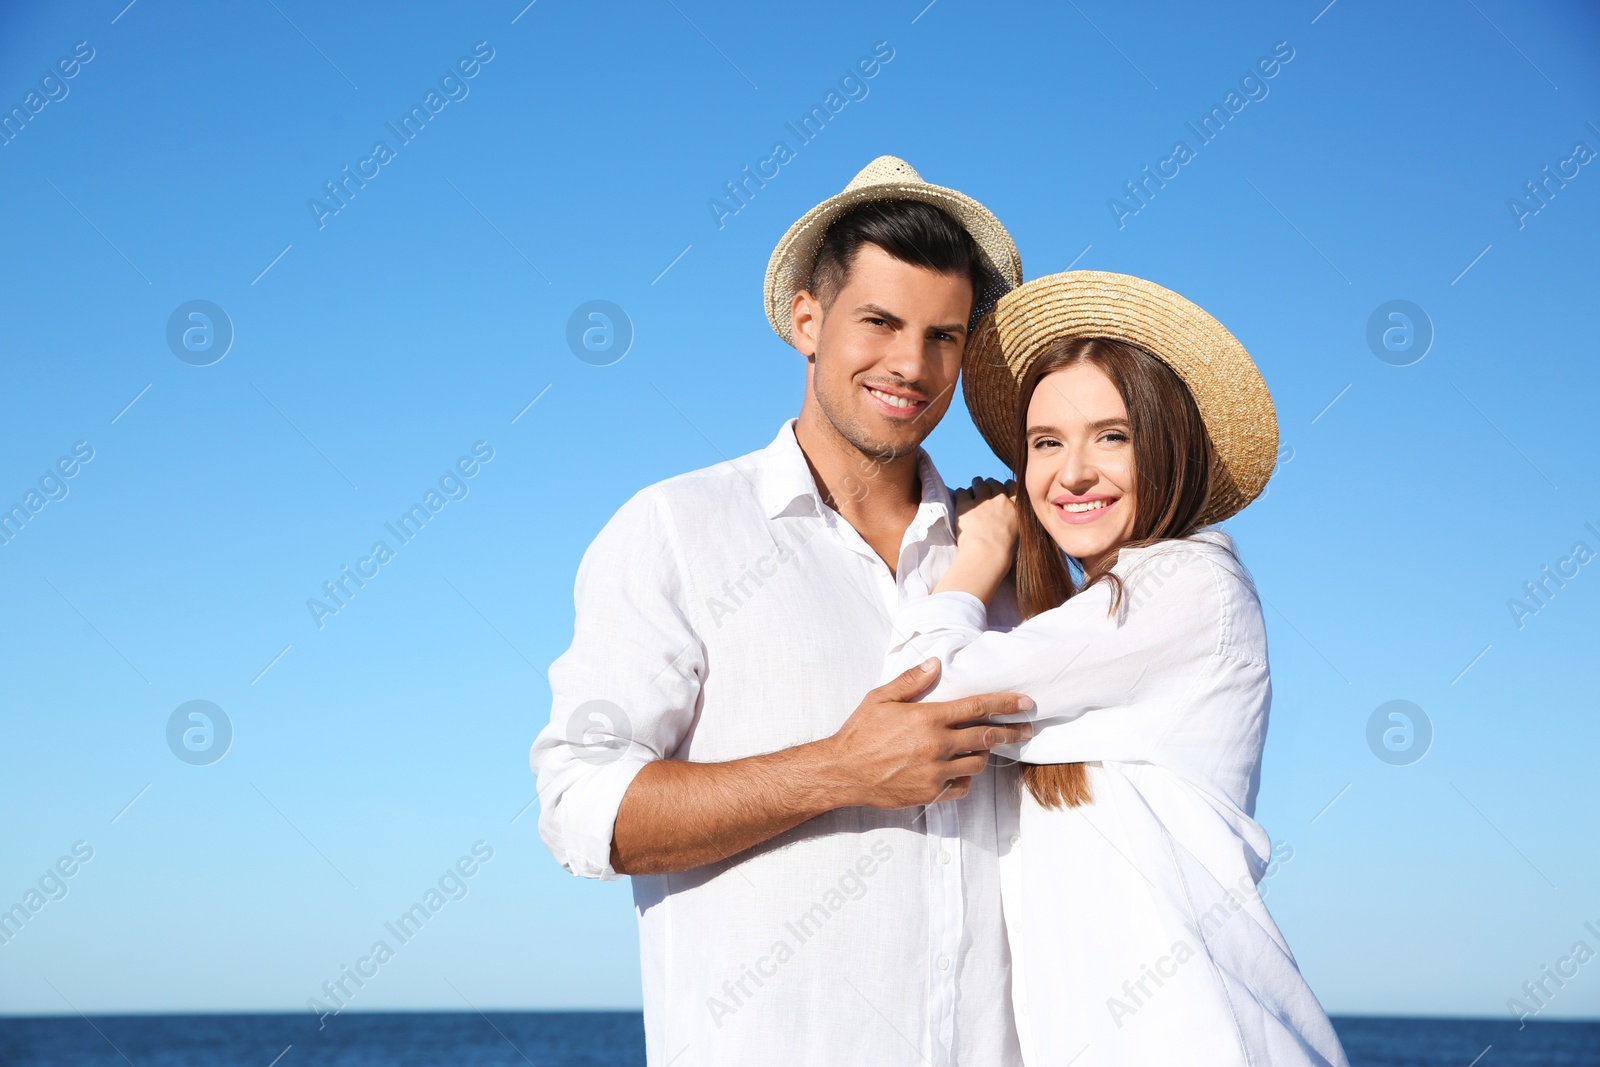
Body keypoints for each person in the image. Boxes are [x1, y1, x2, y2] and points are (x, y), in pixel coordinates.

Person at [530, 157, 1033, 1066]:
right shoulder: (677, 530)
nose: (911, 366)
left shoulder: (1009, 555)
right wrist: (838, 768)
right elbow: (580, 810)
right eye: (878, 321)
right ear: (808, 319)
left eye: (944, 336)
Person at [881, 271, 1350, 1066]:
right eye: (1047, 442)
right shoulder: (1092, 623)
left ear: (1165, 443)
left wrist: (977, 560)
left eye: (1112, 435)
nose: (1072, 473)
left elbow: (921, 691)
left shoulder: (1189, 584)